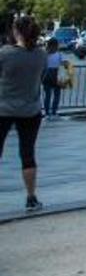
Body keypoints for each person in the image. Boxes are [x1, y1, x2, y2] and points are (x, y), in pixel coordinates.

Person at [0, 17, 47, 211]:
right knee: (28, 154)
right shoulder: (40, 55)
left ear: (16, 31)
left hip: (3, 108)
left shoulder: (5, 54)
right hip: (30, 109)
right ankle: (31, 196)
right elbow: (41, 77)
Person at [41, 38, 63, 119]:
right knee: (51, 95)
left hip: (51, 76)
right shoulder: (48, 54)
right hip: (52, 76)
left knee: (52, 95)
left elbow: (62, 62)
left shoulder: (46, 54)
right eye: (56, 45)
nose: (57, 47)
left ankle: (50, 112)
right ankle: (50, 112)